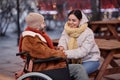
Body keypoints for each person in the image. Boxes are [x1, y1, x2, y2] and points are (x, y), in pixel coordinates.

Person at [16, 12, 89, 80]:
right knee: (78, 68)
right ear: (37, 25)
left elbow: (43, 50)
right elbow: (44, 53)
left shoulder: (32, 36)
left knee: (76, 67)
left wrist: (56, 49)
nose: (45, 25)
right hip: (43, 67)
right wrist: (60, 53)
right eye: (43, 23)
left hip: (43, 65)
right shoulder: (30, 38)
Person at [57, 9, 101, 74]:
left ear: (80, 21)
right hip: (72, 60)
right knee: (60, 72)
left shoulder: (88, 33)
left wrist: (64, 53)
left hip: (89, 60)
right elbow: (63, 41)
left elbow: (83, 51)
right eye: (69, 20)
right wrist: (61, 47)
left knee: (77, 73)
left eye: (74, 20)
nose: (70, 22)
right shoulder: (67, 30)